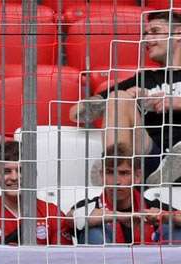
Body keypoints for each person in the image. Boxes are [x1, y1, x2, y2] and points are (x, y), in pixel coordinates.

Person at [70, 11, 181, 181]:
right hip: (151, 157)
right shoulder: (144, 79)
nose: (146, 40)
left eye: (155, 31)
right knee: (118, 97)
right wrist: (129, 100)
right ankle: (115, 173)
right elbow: (77, 112)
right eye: (145, 34)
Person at [67, 143, 181, 244]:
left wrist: (166, 216)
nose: (116, 181)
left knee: (173, 228)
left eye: (124, 173)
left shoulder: (152, 207)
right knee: (93, 233)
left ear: (137, 177)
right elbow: (71, 218)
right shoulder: (91, 205)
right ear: (102, 175)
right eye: (110, 172)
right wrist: (122, 216)